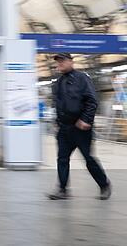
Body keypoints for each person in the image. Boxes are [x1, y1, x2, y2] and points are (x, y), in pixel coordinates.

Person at [48, 53, 111, 200]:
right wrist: (57, 123)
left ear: (71, 61)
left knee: (88, 159)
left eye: (62, 61)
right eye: (58, 62)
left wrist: (86, 120)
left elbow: (92, 101)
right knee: (62, 159)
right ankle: (62, 190)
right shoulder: (57, 83)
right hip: (64, 129)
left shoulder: (82, 78)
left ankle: (104, 185)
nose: (60, 64)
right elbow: (57, 105)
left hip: (80, 129)